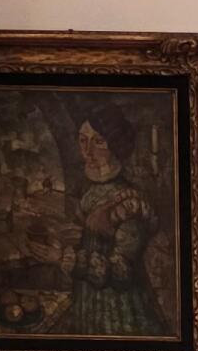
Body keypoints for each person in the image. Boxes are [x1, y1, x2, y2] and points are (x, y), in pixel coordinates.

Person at [66, 112, 161, 335]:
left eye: (98, 141)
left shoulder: (129, 198)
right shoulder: (88, 190)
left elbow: (121, 273)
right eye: (83, 140)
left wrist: (63, 260)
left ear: (116, 145)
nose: (87, 150)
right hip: (86, 298)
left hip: (118, 306)